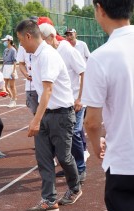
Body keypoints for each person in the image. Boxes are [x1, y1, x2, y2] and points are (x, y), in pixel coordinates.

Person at [16, 20, 81, 211]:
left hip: (61, 114)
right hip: (45, 113)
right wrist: (38, 117)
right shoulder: (34, 56)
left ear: (28, 36)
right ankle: (49, 200)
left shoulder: (48, 55)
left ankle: (75, 187)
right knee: (43, 158)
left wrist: (35, 120)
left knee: (63, 157)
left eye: (20, 40)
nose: (20, 45)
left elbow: (48, 90)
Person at [82, 0, 134, 211]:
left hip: (124, 162)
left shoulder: (101, 57)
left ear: (100, 9)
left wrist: (96, 144)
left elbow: (92, 121)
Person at [38, 23, 87, 183]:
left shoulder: (67, 50)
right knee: (64, 138)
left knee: (74, 134)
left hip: (75, 101)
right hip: (62, 103)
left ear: (52, 37)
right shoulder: (47, 53)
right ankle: (70, 168)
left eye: (43, 40)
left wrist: (80, 98)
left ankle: (80, 169)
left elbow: (84, 72)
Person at [65, 28, 91, 162]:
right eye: (67, 34)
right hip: (70, 92)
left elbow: (89, 58)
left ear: (76, 34)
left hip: (81, 88)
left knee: (76, 127)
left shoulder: (82, 45)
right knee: (74, 127)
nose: (69, 36)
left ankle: (81, 156)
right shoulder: (64, 49)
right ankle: (77, 156)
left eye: (71, 34)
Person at [17, 45, 38, 115]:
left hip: (44, 86)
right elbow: (21, 63)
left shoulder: (43, 44)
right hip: (31, 87)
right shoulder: (22, 45)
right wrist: (26, 74)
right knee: (35, 113)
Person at [1, 35, 18, 108]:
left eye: (5, 41)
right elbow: (4, 61)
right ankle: (12, 98)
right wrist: (2, 69)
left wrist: (13, 71)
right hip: (5, 67)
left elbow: (14, 61)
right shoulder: (5, 50)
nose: (4, 42)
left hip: (11, 67)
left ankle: (13, 100)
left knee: (12, 86)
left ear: (9, 41)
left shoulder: (13, 50)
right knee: (4, 86)